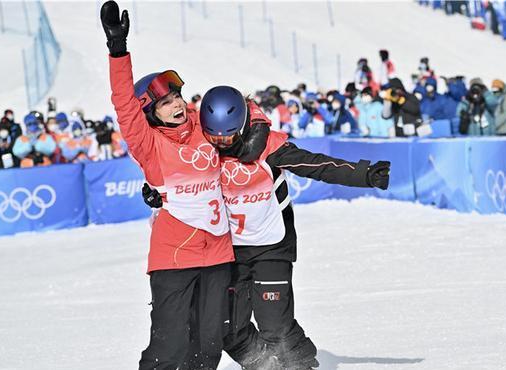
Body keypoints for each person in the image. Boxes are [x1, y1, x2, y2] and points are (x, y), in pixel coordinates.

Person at [143, 85, 391, 370]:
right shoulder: (202, 149)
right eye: (216, 137)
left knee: (275, 324)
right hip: (230, 251)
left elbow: (316, 164)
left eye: (230, 136)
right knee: (227, 325)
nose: (223, 143)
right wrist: (154, 192)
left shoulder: (267, 146)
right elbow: (172, 165)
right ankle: (265, 364)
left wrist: (365, 174)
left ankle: (298, 364)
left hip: (272, 244)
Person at [100, 2, 269, 369]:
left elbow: (242, 105)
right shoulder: (150, 145)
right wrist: (118, 50)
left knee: (208, 347)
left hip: (219, 254)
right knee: (170, 347)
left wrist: (259, 125)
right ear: (151, 113)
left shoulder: (204, 128)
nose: (175, 104)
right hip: (174, 255)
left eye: (176, 96)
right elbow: (125, 106)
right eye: (163, 103)